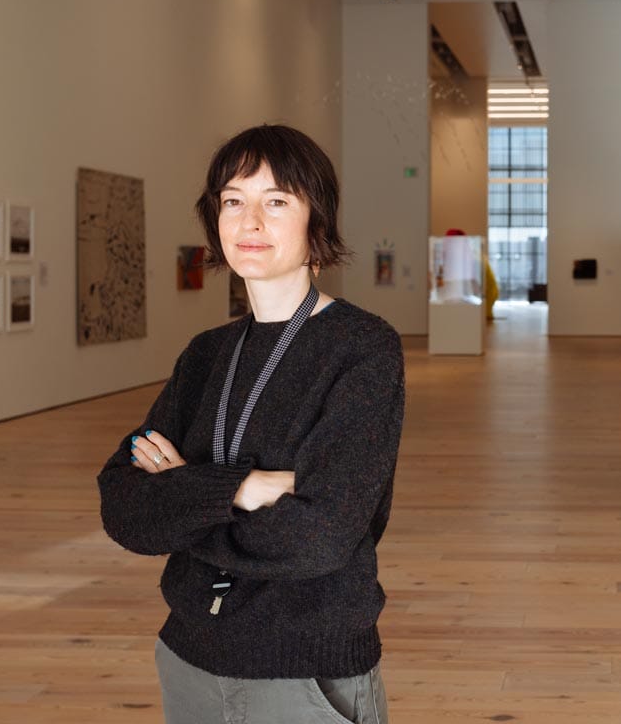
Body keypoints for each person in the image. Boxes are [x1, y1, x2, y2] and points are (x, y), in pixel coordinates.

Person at [97, 124, 405, 723]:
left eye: (278, 201)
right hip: (188, 659)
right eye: (233, 200)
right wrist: (246, 487)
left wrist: (188, 496)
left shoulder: (362, 348)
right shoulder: (206, 353)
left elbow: (321, 536)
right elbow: (123, 507)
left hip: (304, 673)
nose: (250, 221)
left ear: (318, 223)